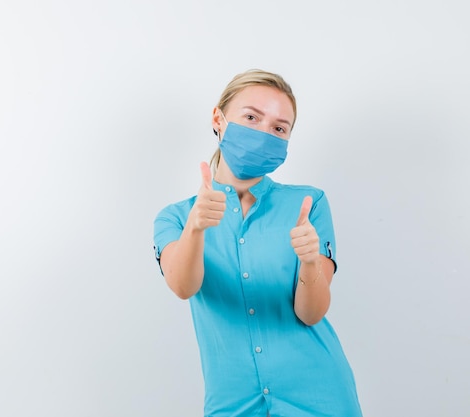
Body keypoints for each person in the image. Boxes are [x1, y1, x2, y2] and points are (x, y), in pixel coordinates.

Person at [152, 69, 362, 417]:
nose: (264, 133)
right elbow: (182, 286)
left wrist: (310, 260)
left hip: (320, 397)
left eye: (279, 128)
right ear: (218, 118)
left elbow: (311, 313)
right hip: (233, 404)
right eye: (251, 117)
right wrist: (196, 228)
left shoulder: (309, 204)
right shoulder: (175, 218)